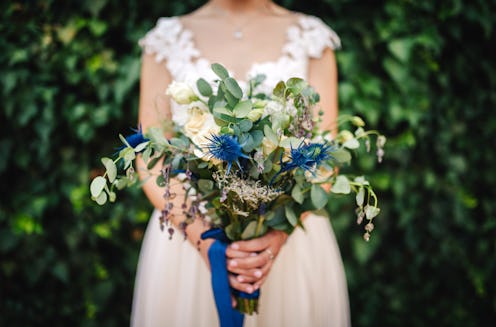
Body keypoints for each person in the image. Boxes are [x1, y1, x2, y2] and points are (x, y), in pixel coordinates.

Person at [131, 0, 351, 326]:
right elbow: (151, 157)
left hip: (288, 239)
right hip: (189, 235)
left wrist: (276, 236)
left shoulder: (312, 39)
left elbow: (324, 155)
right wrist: (208, 245)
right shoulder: (165, 41)